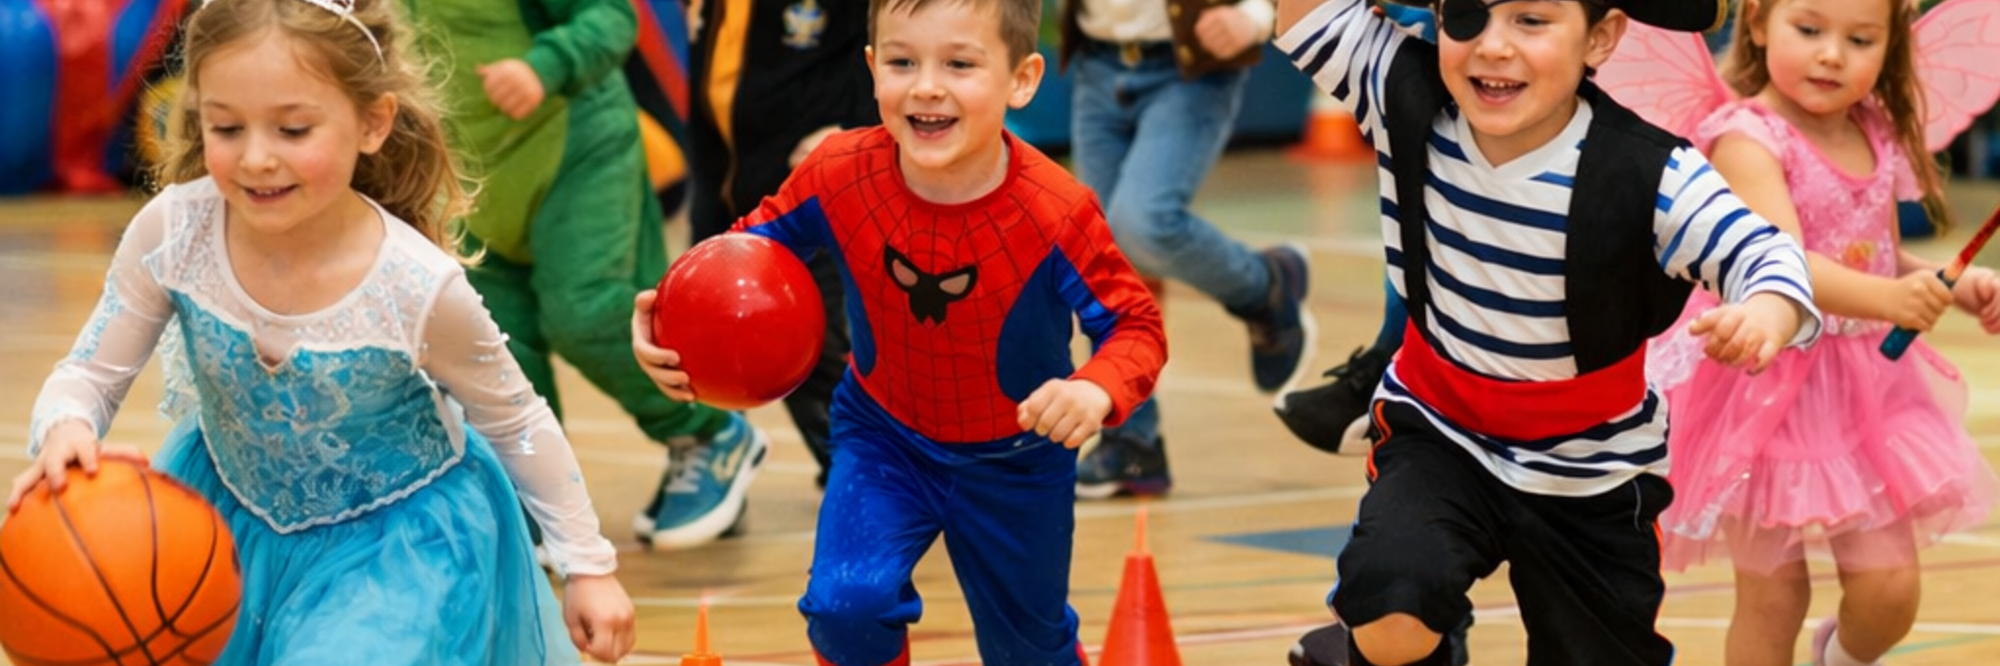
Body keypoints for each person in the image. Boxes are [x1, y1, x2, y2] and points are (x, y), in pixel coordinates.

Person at [6, 0, 636, 662]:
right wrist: (68, 428)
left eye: (293, 130)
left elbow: (517, 421)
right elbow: (87, 375)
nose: (255, 158)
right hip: (223, 525)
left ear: (373, 122)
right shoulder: (173, 232)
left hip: (398, 549)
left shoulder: (416, 284)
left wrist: (587, 566)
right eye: (224, 127)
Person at [1273, 0, 1826, 664]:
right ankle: (1418, 636)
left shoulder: (1653, 174)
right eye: (1468, 15)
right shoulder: (1400, 91)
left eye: (1531, 21)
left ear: (1600, 37)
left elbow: (1769, 254)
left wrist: (1766, 310)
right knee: (1393, 606)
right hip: (1441, 433)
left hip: (1592, 470)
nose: (1493, 47)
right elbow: (1304, 15)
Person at [632, 0, 1167, 659]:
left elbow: (1135, 325)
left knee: (1028, 648)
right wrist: (670, 320)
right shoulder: (836, 170)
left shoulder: (1057, 212)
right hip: (884, 438)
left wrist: (1094, 390)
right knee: (844, 607)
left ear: (1023, 79)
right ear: (871, 68)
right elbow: (740, 255)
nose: (927, 86)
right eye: (902, 61)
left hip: (1018, 462)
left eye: (960, 63)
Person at [1645, 0, 2000, 663]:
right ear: (1757, 24)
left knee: (1890, 592)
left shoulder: (1877, 131)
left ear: (1890, 47)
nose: (1832, 54)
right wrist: (1893, 298)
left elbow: (1880, 256)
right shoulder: (1747, 138)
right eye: (1809, 30)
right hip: (1767, 380)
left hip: (1872, 391)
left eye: (1860, 39)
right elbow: (1785, 261)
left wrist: (1959, 286)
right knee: (1775, 599)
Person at [406, 0, 768, 550]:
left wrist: (545, 66)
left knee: (587, 311)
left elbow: (612, 17)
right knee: (493, 345)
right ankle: (534, 499)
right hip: (464, 176)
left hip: (574, 147)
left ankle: (708, 434)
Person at [1059, 0, 1315, 498]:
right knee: (1101, 253)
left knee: (1144, 223)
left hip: (1189, 68)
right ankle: (1133, 439)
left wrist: (1258, 15)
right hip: (1096, 64)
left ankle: (1265, 284)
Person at [683, 0, 881, 489]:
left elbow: (888, 43)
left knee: (808, 339)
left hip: (811, 186)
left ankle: (872, 474)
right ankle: (850, 470)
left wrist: (854, 129)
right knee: (719, 338)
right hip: (725, 187)